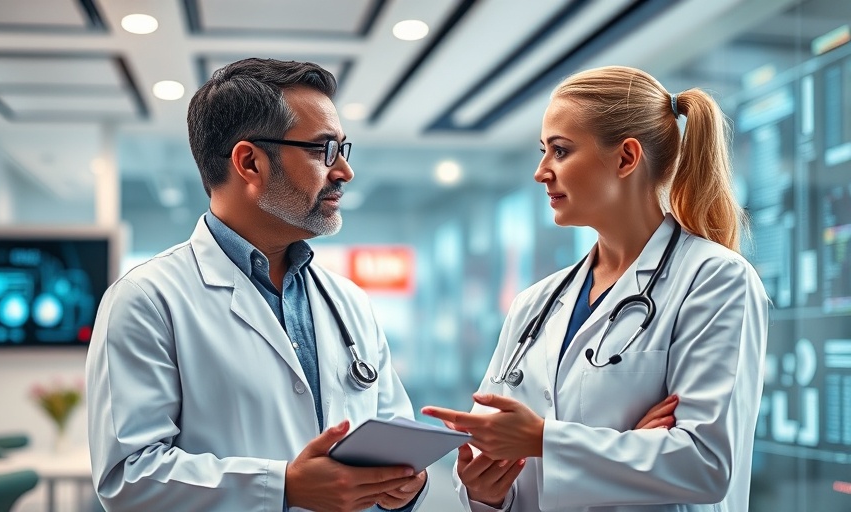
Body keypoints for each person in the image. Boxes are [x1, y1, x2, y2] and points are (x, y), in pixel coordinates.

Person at [85, 58, 427, 512]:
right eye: (324, 150)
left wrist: (406, 485)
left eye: (345, 150)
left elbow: (392, 431)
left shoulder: (347, 302)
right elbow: (128, 478)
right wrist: (282, 486)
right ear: (249, 162)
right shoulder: (147, 300)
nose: (344, 171)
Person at [423, 65, 769, 511]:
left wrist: (543, 439)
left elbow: (704, 464)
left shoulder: (715, 281)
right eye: (543, 151)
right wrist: (484, 491)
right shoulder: (536, 304)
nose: (541, 172)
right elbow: (495, 456)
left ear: (626, 158)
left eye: (560, 151)